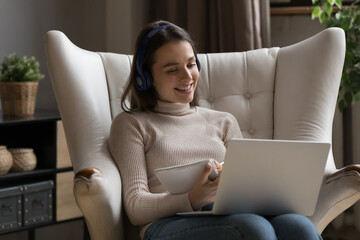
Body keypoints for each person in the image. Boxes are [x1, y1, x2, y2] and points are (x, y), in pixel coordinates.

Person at [109, 20, 322, 240]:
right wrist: (192, 199)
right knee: (254, 228)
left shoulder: (224, 121)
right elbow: (135, 206)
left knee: (299, 226)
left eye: (191, 65)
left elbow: (249, 183)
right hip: (167, 224)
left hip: (231, 214)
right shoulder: (131, 124)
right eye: (172, 69)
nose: (187, 76)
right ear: (145, 78)